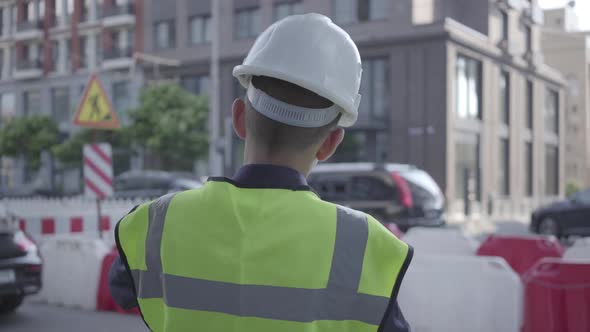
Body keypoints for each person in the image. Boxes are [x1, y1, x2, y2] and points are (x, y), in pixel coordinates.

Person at [109, 13, 413, 332]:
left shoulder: (157, 224)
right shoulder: (365, 245)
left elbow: (120, 289)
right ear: (331, 143)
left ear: (239, 118)